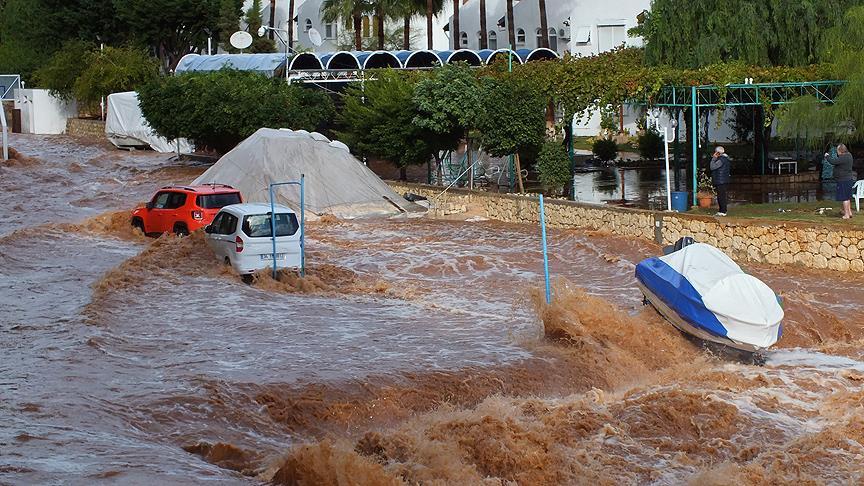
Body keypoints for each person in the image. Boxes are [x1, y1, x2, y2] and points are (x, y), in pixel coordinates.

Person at [826, 143, 855, 219]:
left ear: (840, 150)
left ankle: (846, 215)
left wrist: (827, 156)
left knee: (844, 197)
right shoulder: (849, 155)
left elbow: (833, 162)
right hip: (848, 179)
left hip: (843, 180)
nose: (837, 152)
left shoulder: (843, 157)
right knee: (847, 197)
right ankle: (849, 212)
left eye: (837, 150)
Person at [709, 146, 731, 216]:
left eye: (715, 152)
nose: (714, 153)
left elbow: (712, 167)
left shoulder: (721, 160)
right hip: (722, 180)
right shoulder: (726, 159)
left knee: (721, 196)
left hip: (721, 181)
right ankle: (721, 210)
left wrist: (713, 158)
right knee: (721, 196)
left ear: (718, 153)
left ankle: (723, 211)